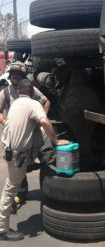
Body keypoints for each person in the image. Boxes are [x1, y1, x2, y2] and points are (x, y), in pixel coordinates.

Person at [0, 79, 65, 241]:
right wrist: (57, 142)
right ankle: (2, 228)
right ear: (31, 92)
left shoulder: (15, 103)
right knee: (11, 188)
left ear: (20, 91)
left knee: (40, 131)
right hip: (17, 156)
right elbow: (44, 121)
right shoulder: (33, 104)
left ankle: (35, 162)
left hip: (10, 151)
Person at [0, 61, 51, 210]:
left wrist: (42, 118)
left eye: (18, 74)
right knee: (18, 163)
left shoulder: (31, 89)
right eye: (13, 73)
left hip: (34, 132)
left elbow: (46, 102)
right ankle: (20, 195)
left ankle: (50, 188)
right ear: (10, 76)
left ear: (23, 76)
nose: (15, 76)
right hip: (16, 134)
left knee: (47, 156)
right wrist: (5, 122)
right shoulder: (5, 92)